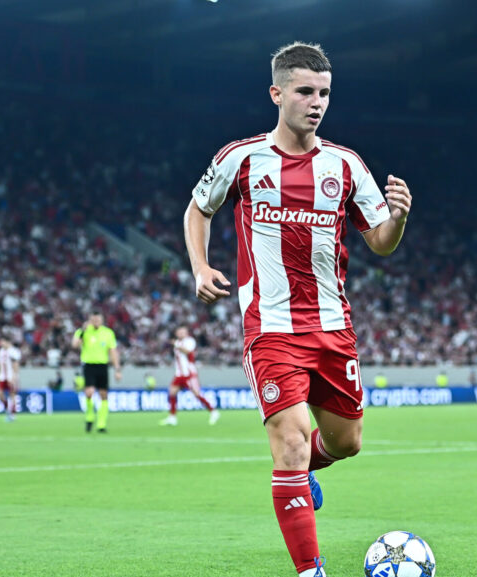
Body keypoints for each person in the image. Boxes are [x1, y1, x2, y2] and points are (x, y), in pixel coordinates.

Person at [183, 42, 412, 577]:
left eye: (324, 93)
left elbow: (380, 242)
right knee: (289, 445)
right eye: (306, 91)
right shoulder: (241, 158)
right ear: (277, 93)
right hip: (271, 329)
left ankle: (308, 469)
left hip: (333, 327)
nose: (317, 103)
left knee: (346, 443)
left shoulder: (346, 165)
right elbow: (198, 209)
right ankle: (311, 570)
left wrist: (398, 219)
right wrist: (200, 267)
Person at [71, 312, 121, 433]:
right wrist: (83, 331)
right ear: (90, 320)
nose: (96, 322)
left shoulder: (108, 333)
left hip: (102, 366)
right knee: (89, 392)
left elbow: (113, 351)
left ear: (102, 320)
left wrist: (117, 369)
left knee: (103, 394)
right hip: (89, 365)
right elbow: (75, 345)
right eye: (93, 320)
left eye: (98, 320)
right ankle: (90, 417)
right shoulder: (83, 332)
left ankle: (101, 424)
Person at [160, 326, 219, 426]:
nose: (181, 334)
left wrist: (176, 344)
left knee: (196, 394)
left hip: (189, 373)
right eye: (179, 332)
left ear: (186, 333)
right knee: (172, 392)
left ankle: (213, 411)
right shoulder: (178, 343)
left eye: (183, 332)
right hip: (179, 373)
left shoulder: (189, 341)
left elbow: (187, 351)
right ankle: (172, 417)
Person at [0, 336, 22, 422]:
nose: (1, 343)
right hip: (2, 376)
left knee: (12, 395)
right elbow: (0, 365)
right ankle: (8, 409)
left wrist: (15, 376)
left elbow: (16, 364)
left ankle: (13, 414)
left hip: (11, 376)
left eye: (2, 341)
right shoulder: (1, 351)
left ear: (7, 342)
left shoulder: (13, 351)